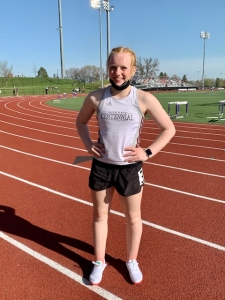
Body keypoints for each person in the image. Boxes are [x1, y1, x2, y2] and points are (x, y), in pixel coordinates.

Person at [76, 46, 176, 286]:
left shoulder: (143, 98)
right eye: (113, 67)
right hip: (101, 167)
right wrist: (89, 144)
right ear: (107, 68)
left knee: (133, 218)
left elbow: (169, 129)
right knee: (100, 216)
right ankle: (99, 261)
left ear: (133, 70)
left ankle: (131, 260)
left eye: (123, 67)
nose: (117, 72)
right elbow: (80, 122)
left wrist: (148, 152)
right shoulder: (96, 97)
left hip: (129, 169)